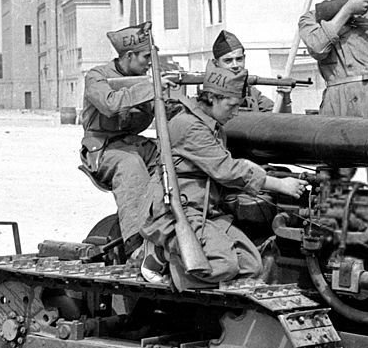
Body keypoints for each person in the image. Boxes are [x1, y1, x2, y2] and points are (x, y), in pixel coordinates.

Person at [141, 62, 306, 290]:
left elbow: (219, 163)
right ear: (213, 98)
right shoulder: (190, 126)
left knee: (251, 266)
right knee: (224, 266)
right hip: (179, 211)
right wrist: (280, 184)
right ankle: (160, 252)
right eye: (231, 106)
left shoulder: (213, 126)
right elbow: (226, 170)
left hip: (206, 210)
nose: (235, 113)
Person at [80, 23, 167, 254]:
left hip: (135, 144)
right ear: (129, 56)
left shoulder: (146, 79)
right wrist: (152, 88)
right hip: (104, 149)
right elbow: (109, 104)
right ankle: (135, 245)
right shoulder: (97, 76)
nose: (150, 63)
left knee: (175, 157)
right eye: (146, 57)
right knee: (130, 166)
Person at [211, 30, 278, 112]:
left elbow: (278, 118)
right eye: (228, 61)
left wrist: (285, 97)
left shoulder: (252, 93)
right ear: (216, 63)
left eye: (239, 59)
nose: (235, 65)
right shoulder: (208, 96)